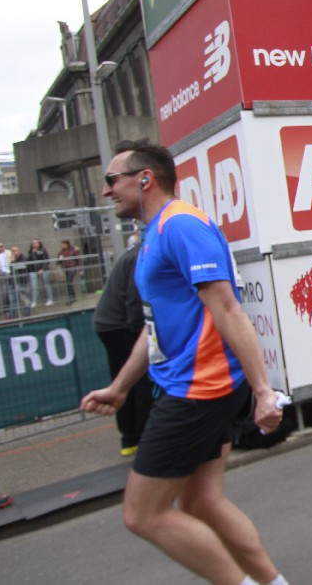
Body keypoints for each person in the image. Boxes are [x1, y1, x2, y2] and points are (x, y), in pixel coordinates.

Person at [80, 139, 290, 585]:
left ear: (145, 179)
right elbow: (155, 326)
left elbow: (229, 309)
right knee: (200, 503)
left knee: (143, 514)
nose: (106, 190)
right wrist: (120, 387)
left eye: (112, 180)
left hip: (200, 388)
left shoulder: (181, 226)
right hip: (190, 383)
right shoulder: (155, 232)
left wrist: (263, 391)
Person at [93, 239, 153, 457]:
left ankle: (130, 438)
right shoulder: (141, 256)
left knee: (124, 378)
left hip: (109, 323)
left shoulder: (135, 253)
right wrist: (142, 334)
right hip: (120, 325)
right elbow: (135, 301)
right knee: (142, 378)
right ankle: (145, 437)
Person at [27, 239, 53, 307]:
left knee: (46, 284)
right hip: (33, 270)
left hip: (43, 269)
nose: (35, 244)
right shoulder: (30, 251)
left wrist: (43, 269)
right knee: (34, 286)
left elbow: (46, 259)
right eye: (33, 243)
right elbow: (30, 259)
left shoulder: (42, 250)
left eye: (36, 243)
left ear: (39, 243)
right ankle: (34, 301)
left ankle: (50, 299)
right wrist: (33, 253)